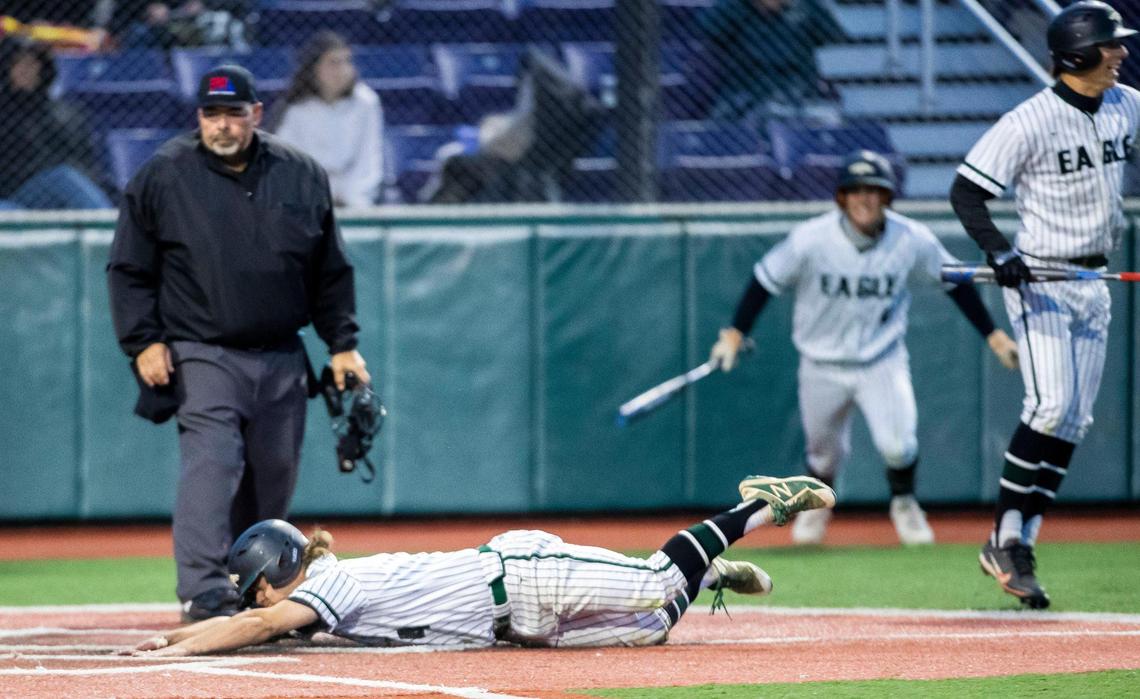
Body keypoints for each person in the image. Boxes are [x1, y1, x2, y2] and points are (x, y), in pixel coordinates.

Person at [106, 63, 370, 622]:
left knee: (274, 473)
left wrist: (342, 344)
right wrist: (143, 341)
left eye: (233, 113)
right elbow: (129, 268)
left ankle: (255, 585)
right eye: (212, 114)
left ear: (256, 113)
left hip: (281, 350)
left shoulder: (300, 173)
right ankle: (203, 589)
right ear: (198, 116)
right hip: (203, 349)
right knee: (213, 463)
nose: (222, 125)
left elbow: (329, 270)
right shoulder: (163, 175)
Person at [123, 474, 834, 654]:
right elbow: (264, 621)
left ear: (276, 567)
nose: (254, 603)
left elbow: (258, 625)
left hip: (522, 572)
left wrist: (166, 645)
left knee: (652, 582)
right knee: (649, 629)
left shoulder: (327, 579)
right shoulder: (317, 593)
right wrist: (174, 637)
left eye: (254, 589)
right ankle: (704, 573)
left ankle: (755, 508)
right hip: (514, 624)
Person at [709, 150, 1020, 547]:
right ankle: (816, 508)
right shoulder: (810, 239)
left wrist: (993, 335)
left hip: (880, 360)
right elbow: (764, 280)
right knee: (822, 457)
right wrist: (735, 332)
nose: (865, 199)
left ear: (888, 197)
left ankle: (905, 504)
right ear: (841, 197)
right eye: (855, 191)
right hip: (820, 363)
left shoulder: (911, 238)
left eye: (874, 191)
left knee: (899, 443)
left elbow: (954, 281)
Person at [949, 1, 1139, 609]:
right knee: (1051, 405)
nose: (1122, 53)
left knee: (1074, 421)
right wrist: (1000, 251)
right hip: (1042, 279)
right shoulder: (1029, 120)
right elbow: (967, 192)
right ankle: (1006, 536)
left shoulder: (1126, 104)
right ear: (1078, 54)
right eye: (1111, 46)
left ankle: (1019, 542)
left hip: (1094, 279)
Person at [269, 31, 382, 208]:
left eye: (347, 61)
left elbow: (369, 158)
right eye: (333, 63)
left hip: (354, 197)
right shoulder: (295, 108)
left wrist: (349, 196)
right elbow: (287, 162)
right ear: (314, 68)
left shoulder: (366, 102)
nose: (343, 70)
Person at [0, 38, 112, 209]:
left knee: (64, 177)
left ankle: (108, 227)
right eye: (18, 64)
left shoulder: (63, 112)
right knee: (61, 177)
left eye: (32, 64)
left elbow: (83, 161)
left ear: (42, 68)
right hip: (9, 195)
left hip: (52, 192)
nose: (26, 70)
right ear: (7, 69)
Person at [699, 0, 843, 121]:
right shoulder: (734, 7)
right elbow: (704, 28)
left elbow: (834, 35)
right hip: (745, 91)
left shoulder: (807, 6)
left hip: (798, 92)